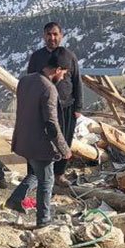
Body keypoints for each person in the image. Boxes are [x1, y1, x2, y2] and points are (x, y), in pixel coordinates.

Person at [6, 48, 73, 229]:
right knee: (47, 181)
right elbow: (51, 124)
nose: (63, 77)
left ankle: (15, 199)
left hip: (23, 138)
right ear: (57, 69)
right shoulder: (49, 88)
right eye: (64, 73)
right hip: (40, 143)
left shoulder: (25, 80)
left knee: (37, 173)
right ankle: (43, 220)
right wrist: (64, 149)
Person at [26, 22, 82, 186]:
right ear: (44, 36)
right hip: (43, 107)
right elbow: (31, 80)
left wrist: (78, 107)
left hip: (66, 107)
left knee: (64, 139)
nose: (52, 37)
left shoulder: (70, 56)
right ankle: (35, 176)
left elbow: (77, 81)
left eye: (55, 34)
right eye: (49, 34)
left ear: (61, 36)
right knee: (42, 140)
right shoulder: (37, 57)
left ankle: (59, 174)